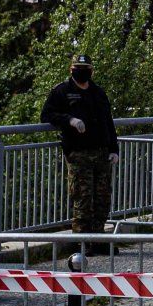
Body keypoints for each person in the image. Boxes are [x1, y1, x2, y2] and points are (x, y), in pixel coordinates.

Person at [40, 54, 119, 240]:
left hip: (101, 153)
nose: (82, 72)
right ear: (71, 69)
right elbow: (47, 115)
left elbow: (108, 121)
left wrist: (114, 148)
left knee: (102, 200)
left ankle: (99, 240)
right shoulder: (61, 91)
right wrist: (70, 120)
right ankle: (82, 243)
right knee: (83, 200)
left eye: (86, 68)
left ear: (91, 70)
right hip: (78, 153)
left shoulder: (98, 92)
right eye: (78, 68)